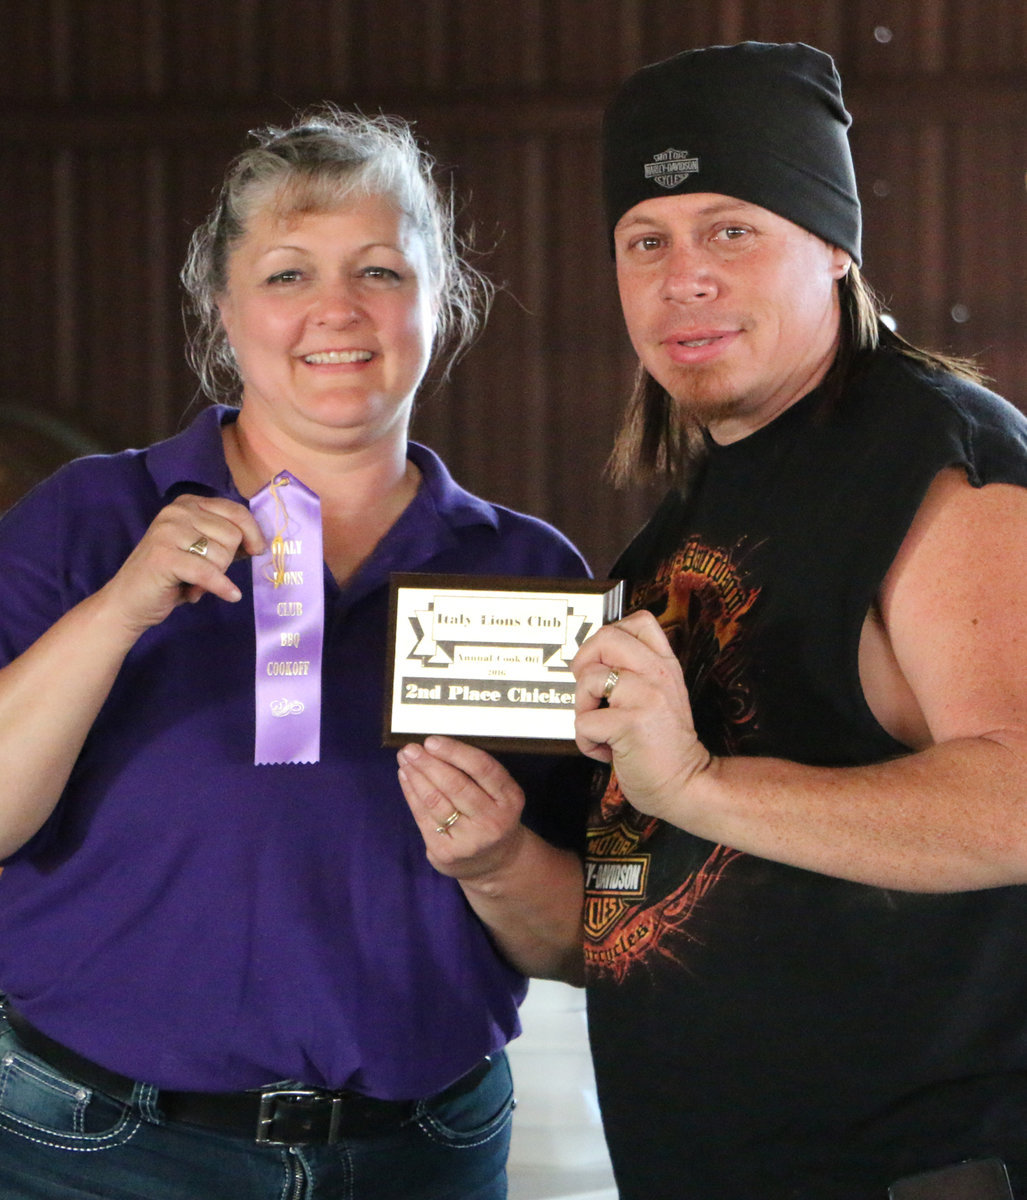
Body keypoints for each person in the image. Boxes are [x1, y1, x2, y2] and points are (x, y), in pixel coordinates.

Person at [396, 41, 1027, 1200]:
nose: (682, 276)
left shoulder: (939, 456)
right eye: (646, 241)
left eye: (730, 228)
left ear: (834, 248)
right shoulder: (679, 533)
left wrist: (693, 786)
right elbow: (621, 929)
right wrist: (494, 863)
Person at [0, 106, 590, 1200]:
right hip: (96, 1153)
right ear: (221, 312)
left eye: (379, 270)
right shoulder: (90, 518)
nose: (337, 309)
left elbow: (585, 941)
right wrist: (120, 610)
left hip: (426, 1156)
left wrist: (500, 865)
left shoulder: (532, 573)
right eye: (285, 275)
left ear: (439, 305)